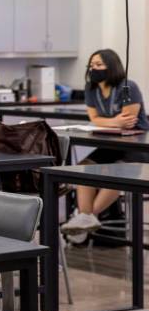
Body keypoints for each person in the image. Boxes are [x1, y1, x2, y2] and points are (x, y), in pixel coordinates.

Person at [61, 49, 149, 237]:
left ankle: (86, 216)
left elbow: (129, 121)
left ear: (112, 65)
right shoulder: (91, 88)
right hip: (111, 144)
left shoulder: (128, 86)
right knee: (84, 167)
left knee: (118, 173)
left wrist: (109, 121)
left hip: (135, 145)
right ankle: (86, 217)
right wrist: (113, 121)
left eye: (99, 64)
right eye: (91, 65)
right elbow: (94, 118)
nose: (94, 68)